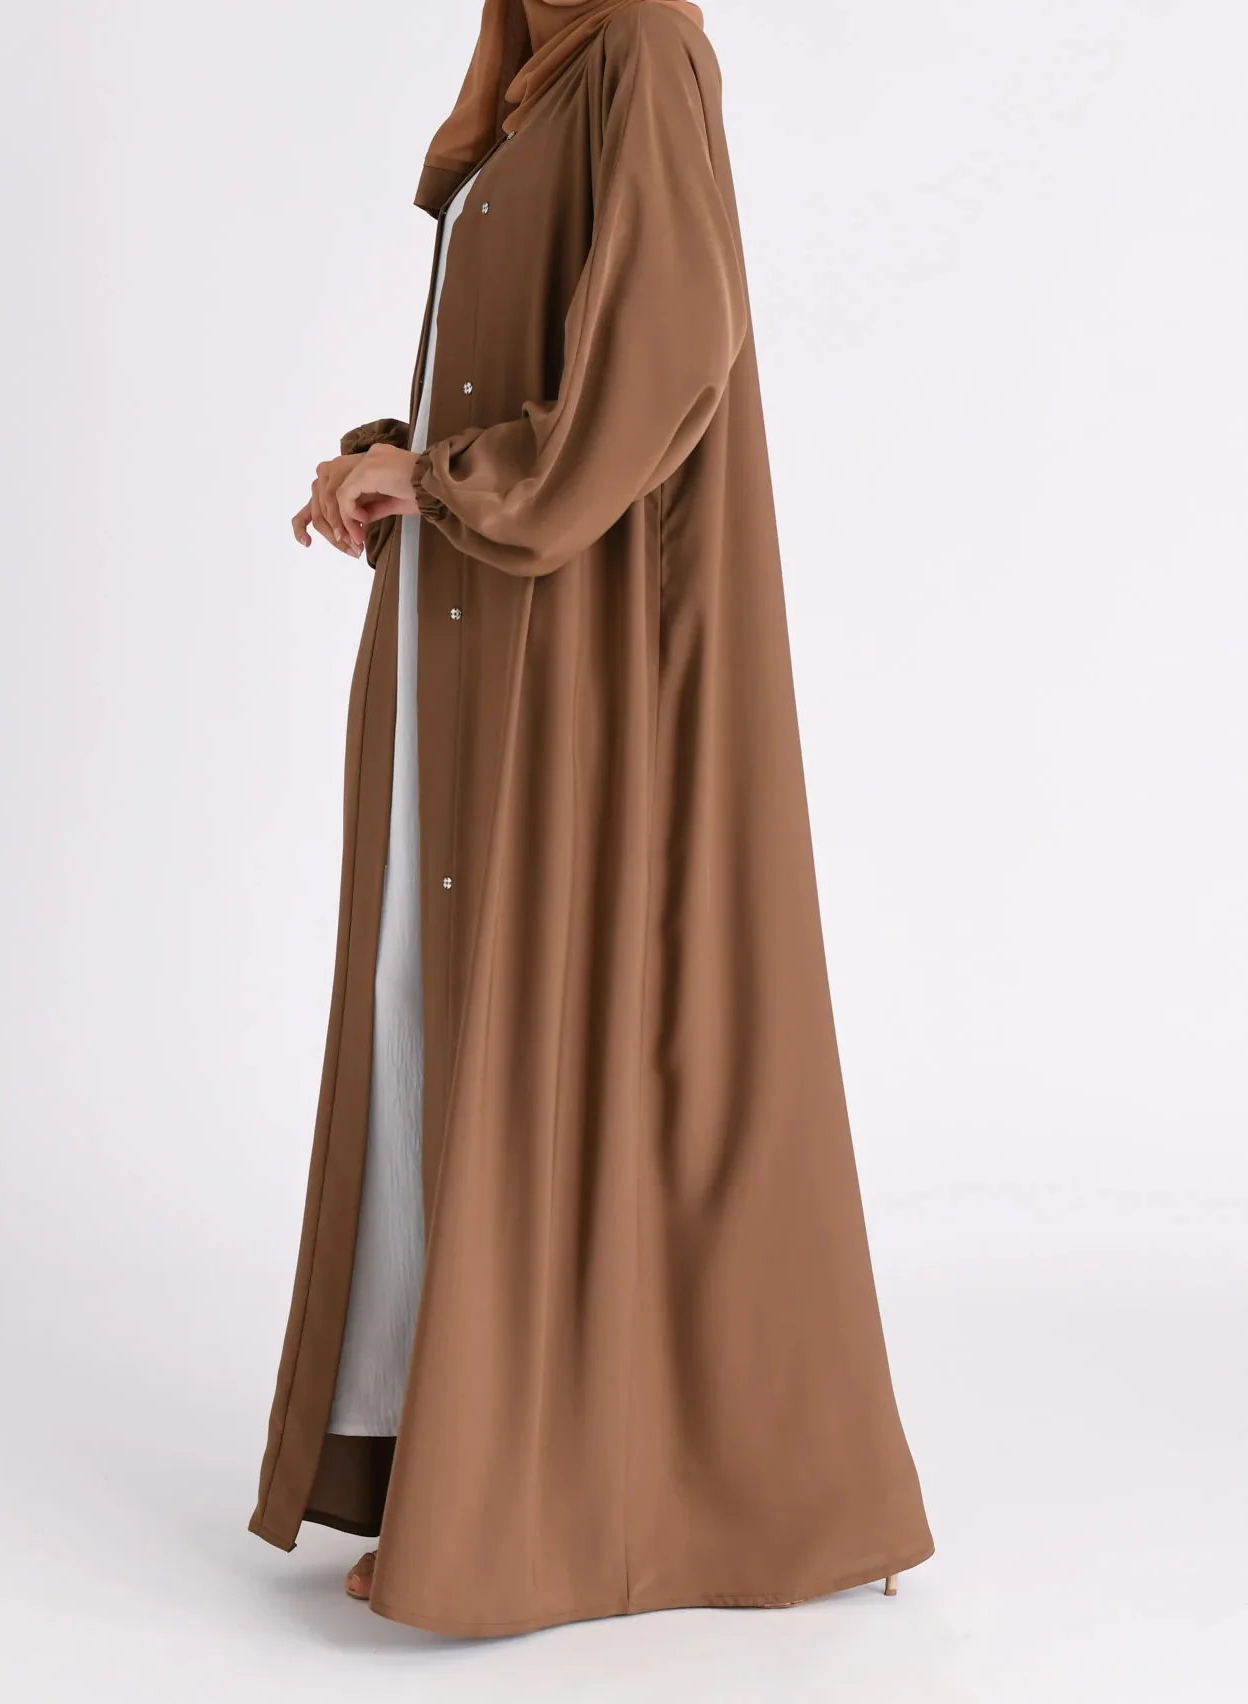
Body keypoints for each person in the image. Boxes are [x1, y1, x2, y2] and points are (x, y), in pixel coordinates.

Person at [251, 0, 934, 1637]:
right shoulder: (531, 75)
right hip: (482, 625)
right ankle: (476, 1467)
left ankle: (575, 1506)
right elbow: (529, 369)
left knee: (582, 1026)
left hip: (587, 637)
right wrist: (398, 462)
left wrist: (452, 484)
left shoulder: (639, 48)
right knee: (446, 1019)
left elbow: (665, 353)